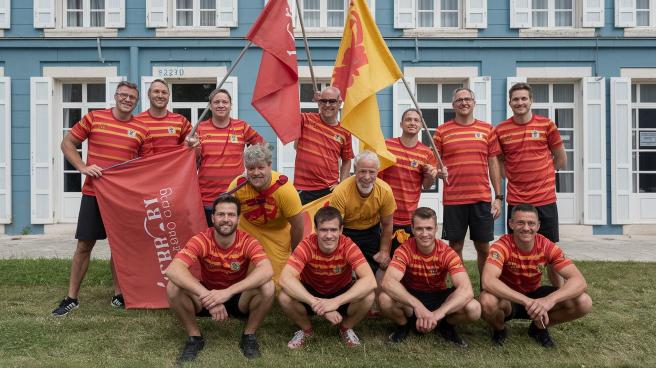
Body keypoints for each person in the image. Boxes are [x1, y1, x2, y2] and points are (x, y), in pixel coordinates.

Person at [52, 81, 152, 316]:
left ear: (137, 102)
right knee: (84, 245)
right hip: (94, 193)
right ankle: (71, 297)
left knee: (120, 249)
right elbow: (67, 143)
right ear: (115, 96)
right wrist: (83, 167)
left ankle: (119, 295)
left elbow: (145, 165)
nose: (127, 100)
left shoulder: (142, 129)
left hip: (122, 198)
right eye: (123, 95)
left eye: (132, 98)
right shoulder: (94, 118)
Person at [165, 195, 275, 362]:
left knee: (268, 286)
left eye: (231, 215)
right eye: (221, 214)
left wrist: (228, 292)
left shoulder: (247, 241)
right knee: (173, 286)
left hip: (238, 298)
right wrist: (209, 297)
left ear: (238, 219)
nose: (226, 219)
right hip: (207, 297)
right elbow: (173, 269)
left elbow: (267, 270)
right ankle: (195, 338)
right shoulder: (201, 239)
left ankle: (249, 336)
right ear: (213, 217)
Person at [479, 204, 592, 347]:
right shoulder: (501, 246)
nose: (526, 228)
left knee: (584, 302)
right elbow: (488, 281)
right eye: (520, 222)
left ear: (538, 226)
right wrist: (527, 301)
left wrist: (549, 300)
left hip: (536, 295)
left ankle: (538, 329)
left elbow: (579, 281)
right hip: (509, 299)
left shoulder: (547, 246)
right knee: (487, 300)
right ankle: (500, 329)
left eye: (531, 223)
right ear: (511, 224)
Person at [495, 82, 567, 287]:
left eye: (523, 98)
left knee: (551, 252)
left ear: (531, 101)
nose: (520, 102)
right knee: (514, 252)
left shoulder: (546, 125)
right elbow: (499, 160)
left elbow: (561, 158)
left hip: (544, 199)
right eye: (515, 99)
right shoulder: (501, 130)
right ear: (510, 103)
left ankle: (559, 293)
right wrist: (510, 175)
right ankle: (515, 294)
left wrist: (545, 173)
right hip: (517, 200)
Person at [379, 207, 480, 346]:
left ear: (435, 229)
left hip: (439, 296)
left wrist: (437, 314)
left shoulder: (446, 252)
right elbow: (388, 282)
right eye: (420, 229)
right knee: (384, 299)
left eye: (429, 228)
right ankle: (404, 326)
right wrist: (418, 306)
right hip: (412, 296)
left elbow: (467, 290)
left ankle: (446, 325)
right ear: (413, 230)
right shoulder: (404, 249)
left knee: (474, 308)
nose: (425, 233)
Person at [278, 206, 376, 349]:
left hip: (340, 291)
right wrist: (319, 305)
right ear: (316, 230)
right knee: (284, 296)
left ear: (341, 230)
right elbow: (285, 279)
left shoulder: (348, 245)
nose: (329, 235)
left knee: (369, 295)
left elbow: (370, 280)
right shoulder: (307, 244)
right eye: (324, 230)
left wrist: (335, 302)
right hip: (312, 292)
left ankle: (345, 328)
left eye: (333, 230)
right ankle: (306, 331)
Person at [433, 88, 502, 275]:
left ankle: (487, 287)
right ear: (453, 105)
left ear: (474, 102)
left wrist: (498, 197)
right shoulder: (441, 131)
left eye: (467, 99)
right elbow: (434, 163)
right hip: (454, 200)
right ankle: (462, 290)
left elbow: (494, 163)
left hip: (481, 198)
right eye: (459, 100)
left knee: (483, 247)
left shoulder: (487, 129)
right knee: (455, 248)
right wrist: (438, 172)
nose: (464, 103)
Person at [227, 143, 305, 285]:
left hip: (277, 234)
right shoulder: (237, 186)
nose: (256, 173)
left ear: (270, 165)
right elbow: (226, 215)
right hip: (247, 231)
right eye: (251, 168)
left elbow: (298, 226)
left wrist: (294, 253)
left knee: (278, 284)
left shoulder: (285, 189)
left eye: (261, 167)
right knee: (237, 276)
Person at [196, 88, 264, 226]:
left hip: (236, 195)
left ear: (230, 105)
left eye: (225, 102)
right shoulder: (200, 128)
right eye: (217, 102)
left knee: (235, 239)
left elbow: (262, 146)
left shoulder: (242, 126)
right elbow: (193, 161)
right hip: (207, 197)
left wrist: (251, 168)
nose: (221, 105)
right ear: (210, 105)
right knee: (210, 238)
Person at [379, 108, 437, 254]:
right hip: (385, 216)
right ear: (401, 124)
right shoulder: (386, 146)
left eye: (416, 120)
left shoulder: (427, 153)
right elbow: (378, 180)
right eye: (408, 119)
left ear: (421, 125)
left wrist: (431, 176)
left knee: (405, 260)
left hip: (409, 217)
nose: (412, 123)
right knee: (383, 260)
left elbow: (426, 185)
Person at [329, 150, 396, 275]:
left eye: (372, 172)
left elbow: (387, 224)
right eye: (362, 171)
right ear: (355, 170)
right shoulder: (340, 191)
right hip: (346, 231)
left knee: (372, 272)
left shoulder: (385, 191)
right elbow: (334, 227)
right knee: (341, 271)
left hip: (371, 231)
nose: (367, 177)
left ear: (378, 172)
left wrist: (384, 251)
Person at [294, 86, 354, 205]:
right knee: (303, 224)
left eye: (332, 101)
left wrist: (341, 185)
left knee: (327, 224)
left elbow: (347, 160)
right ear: (319, 102)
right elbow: (287, 116)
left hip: (328, 190)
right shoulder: (305, 119)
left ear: (339, 103)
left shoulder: (345, 132)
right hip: (302, 188)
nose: (327, 105)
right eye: (323, 101)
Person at [135, 78, 194, 154]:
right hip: (146, 166)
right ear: (149, 94)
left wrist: (193, 143)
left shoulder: (181, 121)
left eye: (164, 92)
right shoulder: (137, 121)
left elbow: (192, 147)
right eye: (156, 91)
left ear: (169, 95)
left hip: (173, 166)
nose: (160, 95)